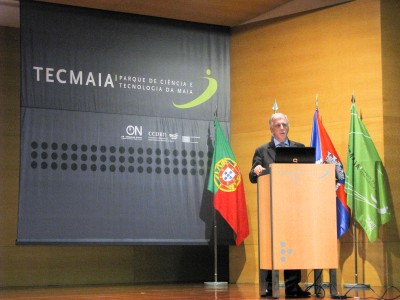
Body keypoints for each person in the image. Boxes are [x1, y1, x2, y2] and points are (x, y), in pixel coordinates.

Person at [249, 112, 311, 298]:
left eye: (285, 124)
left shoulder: (299, 148)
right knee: (271, 245)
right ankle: (269, 285)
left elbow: (307, 175)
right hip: (271, 207)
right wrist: (256, 169)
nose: (282, 128)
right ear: (271, 128)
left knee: (293, 245)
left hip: (294, 206)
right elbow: (253, 176)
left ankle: (292, 287)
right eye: (278, 125)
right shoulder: (262, 150)